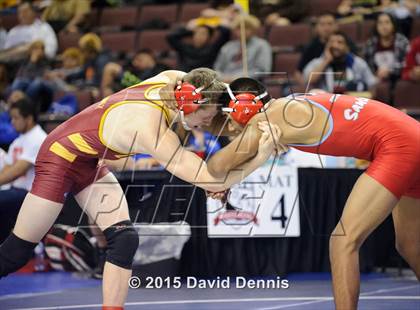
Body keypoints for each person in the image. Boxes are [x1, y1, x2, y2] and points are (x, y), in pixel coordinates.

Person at [0, 68, 281, 309]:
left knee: (124, 239)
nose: (208, 125)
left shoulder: (177, 81)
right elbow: (214, 180)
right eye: (205, 119)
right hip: (60, 157)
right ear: (188, 107)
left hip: (88, 159)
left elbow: (208, 92)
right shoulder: (151, 130)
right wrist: (261, 154)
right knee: (16, 252)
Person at [205, 77, 420, 310]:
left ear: (243, 109)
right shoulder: (288, 106)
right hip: (410, 135)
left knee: (342, 242)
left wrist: (224, 178)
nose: (231, 128)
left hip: (398, 148)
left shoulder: (266, 118)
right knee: (410, 244)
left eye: (229, 119)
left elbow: (217, 165)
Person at [0, 97, 47, 243]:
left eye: (16, 118)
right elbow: (6, 169)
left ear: (29, 118)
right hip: (15, 191)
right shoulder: (18, 141)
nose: (12, 122)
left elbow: (18, 171)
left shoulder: (38, 138)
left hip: (30, 194)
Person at [303, 31, 377, 93]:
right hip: (325, 105)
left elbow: (372, 85)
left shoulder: (358, 63)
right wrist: (326, 61)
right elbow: (310, 81)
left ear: (347, 47)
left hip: (352, 104)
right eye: (332, 42)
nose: (335, 45)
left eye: (340, 42)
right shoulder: (318, 63)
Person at [214, 14, 272, 82]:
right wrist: (223, 78)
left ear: (253, 30)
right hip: (224, 82)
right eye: (238, 28)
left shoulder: (262, 45)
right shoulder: (228, 46)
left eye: (247, 28)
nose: (242, 31)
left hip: (249, 83)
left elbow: (263, 70)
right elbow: (217, 68)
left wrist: (240, 77)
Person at [101, 49, 169, 97]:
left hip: (148, 89)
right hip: (135, 88)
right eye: (135, 60)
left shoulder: (162, 68)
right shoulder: (134, 69)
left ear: (148, 57)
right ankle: (105, 104)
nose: (135, 63)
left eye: (139, 59)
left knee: (110, 67)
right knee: (110, 67)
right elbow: (125, 70)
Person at [363, 12, 409, 83]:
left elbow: (407, 63)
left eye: (387, 22)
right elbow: (366, 65)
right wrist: (376, 73)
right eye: (380, 23)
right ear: (376, 26)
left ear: (393, 25)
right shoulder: (370, 43)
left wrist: (390, 71)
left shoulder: (402, 42)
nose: (383, 26)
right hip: (375, 79)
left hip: (397, 79)